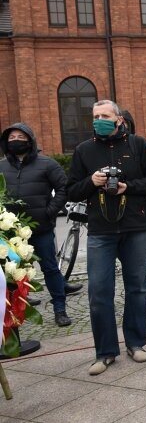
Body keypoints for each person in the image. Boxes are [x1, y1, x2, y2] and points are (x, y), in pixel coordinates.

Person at [67, 100, 146, 375]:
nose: (99, 120)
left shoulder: (138, 145)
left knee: (138, 289)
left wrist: (128, 187)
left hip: (135, 226)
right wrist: (92, 182)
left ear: (119, 119)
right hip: (100, 229)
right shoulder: (84, 150)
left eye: (105, 115)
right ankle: (105, 351)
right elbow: (72, 190)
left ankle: (136, 343)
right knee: (99, 292)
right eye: (95, 116)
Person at [0, 123, 79, 326]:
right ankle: (18, 309)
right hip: (12, 232)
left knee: (50, 268)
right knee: (14, 270)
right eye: (11, 137)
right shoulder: (2, 166)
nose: (15, 140)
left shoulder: (47, 164)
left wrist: (49, 212)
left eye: (20, 136)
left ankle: (60, 309)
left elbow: (64, 188)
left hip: (41, 228)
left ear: (29, 139)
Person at [121, 110, 146, 310]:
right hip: (110, 218)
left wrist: (130, 186)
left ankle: (142, 293)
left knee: (140, 260)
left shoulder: (139, 146)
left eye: (125, 122)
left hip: (138, 213)